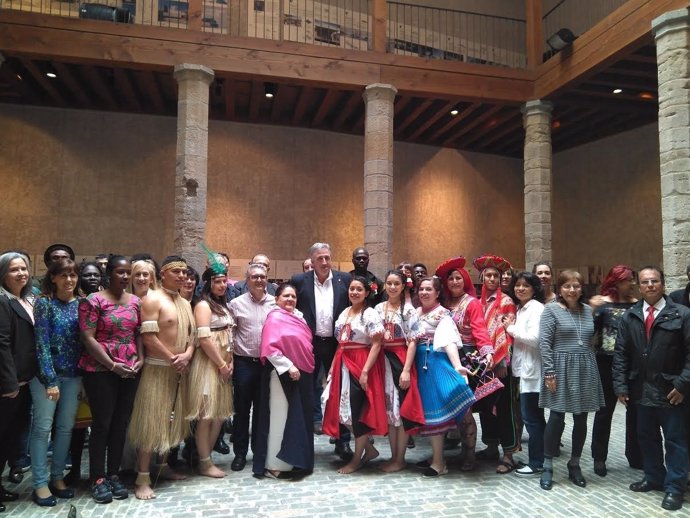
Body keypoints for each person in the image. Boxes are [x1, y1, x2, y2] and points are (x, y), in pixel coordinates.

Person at [613, 265, 690, 512]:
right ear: (639, 285)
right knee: (647, 438)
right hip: (640, 391)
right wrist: (621, 385)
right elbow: (621, 354)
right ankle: (654, 477)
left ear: (663, 284)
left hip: (671, 392)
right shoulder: (631, 316)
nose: (650, 285)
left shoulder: (682, 314)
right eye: (645, 282)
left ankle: (675, 487)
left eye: (654, 281)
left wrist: (682, 385)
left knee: (676, 441)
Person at [128, 255, 196, 500]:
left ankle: (163, 465)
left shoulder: (186, 303)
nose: (181, 276)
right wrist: (171, 358)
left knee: (171, 420)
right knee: (151, 421)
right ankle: (143, 477)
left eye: (184, 272)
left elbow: (193, 336)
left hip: (180, 369)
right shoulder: (152, 299)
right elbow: (148, 337)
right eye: (175, 272)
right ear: (163, 274)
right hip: (158, 369)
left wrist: (187, 355)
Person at [79, 255, 142, 504]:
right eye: (120, 272)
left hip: (130, 368)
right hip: (101, 368)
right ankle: (97, 477)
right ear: (109, 273)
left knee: (120, 424)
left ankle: (114, 474)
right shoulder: (93, 300)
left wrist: (141, 358)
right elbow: (87, 337)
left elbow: (138, 332)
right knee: (102, 424)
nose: (125, 277)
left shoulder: (136, 301)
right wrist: (111, 364)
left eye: (128, 272)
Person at [538, 269, 604, 491]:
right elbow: (545, 344)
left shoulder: (587, 310)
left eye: (576, 286)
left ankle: (574, 463)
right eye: (567, 286)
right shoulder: (550, 311)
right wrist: (549, 372)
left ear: (581, 288)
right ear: (560, 288)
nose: (572, 290)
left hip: (584, 367)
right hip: (559, 367)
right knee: (556, 417)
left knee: (581, 418)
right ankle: (547, 465)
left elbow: (590, 340)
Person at [291, 243, 353, 461]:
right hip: (310, 343)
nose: (325, 262)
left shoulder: (344, 280)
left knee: (340, 390)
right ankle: (305, 442)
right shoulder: (300, 281)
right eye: (320, 259)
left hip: (337, 344)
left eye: (327, 258)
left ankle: (343, 441)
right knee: (306, 390)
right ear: (312, 260)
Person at [30, 259, 82, 506]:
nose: (69, 280)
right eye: (63, 275)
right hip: (46, 377)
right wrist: (50, 380)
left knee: (65, 428)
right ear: (53, 278)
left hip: (74, 375)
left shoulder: (81, 303)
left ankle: (57, 477)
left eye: (72, 275)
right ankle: (39, 483)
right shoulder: (44, 303)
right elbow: (41, 343)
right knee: (42, 428)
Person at [435, 257, 494, 471]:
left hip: (465, 359)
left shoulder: (472, 303)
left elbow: (479, 329)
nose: (454, 282)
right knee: (452, 408)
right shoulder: (442, 303)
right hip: (444, 359)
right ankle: (460, 449)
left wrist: (487, 350)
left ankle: (470, 453)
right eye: (450, 278)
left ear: (465, 280)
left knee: (465, 409)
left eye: (458, 278)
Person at [323, 276, 386, 474]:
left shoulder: (369, 314)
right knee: (337, 407)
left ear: (367, 293)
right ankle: (368, 448)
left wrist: (365, 371)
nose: (354, 292)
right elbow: (341, 344)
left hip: (360, 362)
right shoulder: (345, 313)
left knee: (357, 410)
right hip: (343, 360)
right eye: (352, 288)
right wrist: (333, 367)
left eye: (359, 289)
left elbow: (377, 343)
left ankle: (357, 459)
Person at [414, 277, 475, 477]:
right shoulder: (415, 313)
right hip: (420, 365)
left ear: (437, 293)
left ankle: (440, 463)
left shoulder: (443, 314)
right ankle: (437, 458)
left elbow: (448, 341)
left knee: (435, 412)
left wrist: (457, 366)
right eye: (421, 289)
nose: (424, 292)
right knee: (429, 414)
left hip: (434, 364)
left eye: (428, 289)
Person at [253, 283, 315, 479]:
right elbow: (270, 348)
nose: (290, 299)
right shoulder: (274, 318)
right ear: (277, 299)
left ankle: (296, 460)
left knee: (297, 416)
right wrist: (289, 365)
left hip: (302, 373)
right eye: (286, 296)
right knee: (280, 419)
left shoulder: (299, 317)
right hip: (281, 374)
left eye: (293, 296)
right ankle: (274, 464)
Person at [589, 265, 641, 476]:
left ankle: (635, 455)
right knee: (604, 411)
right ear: (617, 281)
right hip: (605, 363)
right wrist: (592, 310)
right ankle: (599, 457)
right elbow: (589, 332)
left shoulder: (638, 306)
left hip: (634, 364)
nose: (633, 284)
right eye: (629, 280)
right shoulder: (603, 306)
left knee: (635, 412)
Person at [472, 254, 520, 474]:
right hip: (484, 363)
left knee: (504, 408)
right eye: (488, 275)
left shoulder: (506, 301)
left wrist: (503, 360)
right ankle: (491, 446)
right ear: (482, 278)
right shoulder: (478, 302)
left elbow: (508, 334)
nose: (491, 279)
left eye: (495, 276)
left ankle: (509, 453)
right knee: (485, 404)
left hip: (501, 364)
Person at [186, 266, 235, 478]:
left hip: (223, 365)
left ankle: (207, 457)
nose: (222, 285)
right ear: (208, 284)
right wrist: (222, 365)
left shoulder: (223, 305)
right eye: (217, 281)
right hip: (208, 365)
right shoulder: (204, 306)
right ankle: (204, 462)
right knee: (206, 415)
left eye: (224, 281)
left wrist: (229, 362)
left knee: (218, 415)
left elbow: (229, 336)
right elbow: (204, 339)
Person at [228, 263, 276, 472]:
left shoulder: (275, 304)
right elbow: (230, 334)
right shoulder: (236, 304)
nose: (258, 280)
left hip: (266, 365)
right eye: (254, 277)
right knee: (241, 411)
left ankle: (259, 452)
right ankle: (239, 454)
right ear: (246, 280)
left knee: (262, 411)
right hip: (243, 363)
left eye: (262, 277)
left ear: (267, 279)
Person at [374, 270, 424, 472]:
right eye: (389, 283)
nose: (392, 287)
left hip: (401, 360)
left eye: (397, 283)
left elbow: (412, 342)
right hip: (382, 361)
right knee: (389, 411)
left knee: (400, 409)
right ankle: (393, 456)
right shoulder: (378, 308)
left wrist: (405, 370)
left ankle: (400, 458)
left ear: (403, 286)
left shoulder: (409, 311)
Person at [0, 251, 38, 513]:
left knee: (10, 437)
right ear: (3, 273)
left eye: (24, 268)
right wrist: (9, 382)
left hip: (24, 381)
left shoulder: (27, 298)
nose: (21, 273)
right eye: (14, 269)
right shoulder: (2, 301)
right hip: (9, 385)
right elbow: (1, 344)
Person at [64, 261, 103, 486]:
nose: (91, 279)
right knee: (77, 426)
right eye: (87, 275)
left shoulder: (108, 301)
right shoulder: (74, 303)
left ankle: (101, 471)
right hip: (78, 369)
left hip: (102, 371)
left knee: (101, 423)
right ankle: (75, 469)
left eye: (96, 275)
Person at [504, 271, 545, 476]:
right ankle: (539, 460)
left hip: (533, 372)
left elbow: (535, 338)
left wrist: (510, 329)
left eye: (526, 286)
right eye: (517, 285)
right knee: (531, 417)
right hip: (524, 370)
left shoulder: (536, 309)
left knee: (532, 418)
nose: (520, 289)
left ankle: (537, 463)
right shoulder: (521, 309)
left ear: (534, 289)